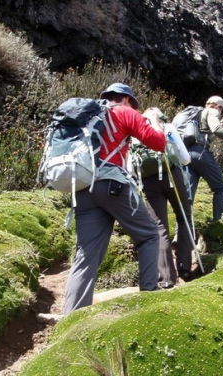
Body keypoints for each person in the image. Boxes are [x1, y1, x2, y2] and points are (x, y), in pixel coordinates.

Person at [63, 83, 167, 313]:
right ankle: (148, 299)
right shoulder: (125, 111)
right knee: (149, 235)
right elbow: (158, 143)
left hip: (82, 186)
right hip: (112, 183)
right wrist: (155, 122)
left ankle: (71, 316)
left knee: (86, 254)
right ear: (127, 99)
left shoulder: (88, 117)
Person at [132, 108, 194, 286]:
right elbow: (185, 158)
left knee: (159, 226)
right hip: (171, 174)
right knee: (184, 217)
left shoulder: (135, 133)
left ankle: (166, 278)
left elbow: (130, 166)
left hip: (148, 181)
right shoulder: (167, 127)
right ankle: (185, 266)